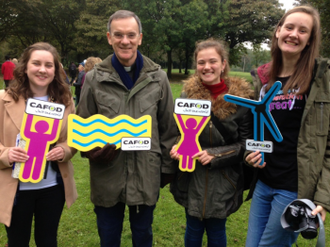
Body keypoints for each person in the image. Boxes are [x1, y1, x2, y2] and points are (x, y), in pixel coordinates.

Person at [76, 10, 177, 247]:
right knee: (108, 237)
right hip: (107, 175)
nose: (125, 41)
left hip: (145, 174)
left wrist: (166, 169)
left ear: (140, 38)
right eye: (118, 35)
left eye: (130, 35)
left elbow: (168, 128)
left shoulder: (158, 77)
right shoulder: (94, 78)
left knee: (143, 236)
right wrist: (90, 149)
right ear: (109, 37)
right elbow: (82, 124)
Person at [245, 6, 330, 247]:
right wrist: (249, 154)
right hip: (264, 182)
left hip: (295, 188)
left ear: (310, 40)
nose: (294, 34)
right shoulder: (263, 77)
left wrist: (324, 197)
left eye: (303, 30)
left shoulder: (322, 78)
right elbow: (254, 129)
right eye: (289, 27)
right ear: (278, 31)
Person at [169, 39, 253, 247]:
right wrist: (177, 146)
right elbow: (179, 132)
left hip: (224, 179)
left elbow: (246, 145)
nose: (207, 67)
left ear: (223, 64)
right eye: (201, 62)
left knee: (216, 231)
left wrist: (216, 155)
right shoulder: (186, 96)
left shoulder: (243, 100)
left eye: (212, 61)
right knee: (193, 228)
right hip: (191, 176)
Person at [0, 42, 78, 247]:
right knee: (17, 242)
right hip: (16, 188)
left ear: (56, 70)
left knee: (48, 240)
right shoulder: (3, 99)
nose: (42, 69)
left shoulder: (66, 101)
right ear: (25, 67)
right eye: (36, 63)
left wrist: (65, 150)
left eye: (48, 65)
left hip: (52, 188)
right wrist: (6, 154)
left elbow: (74, 138)